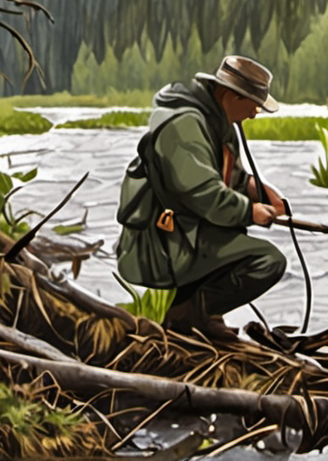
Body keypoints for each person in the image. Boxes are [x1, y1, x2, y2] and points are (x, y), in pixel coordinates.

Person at [115, 55, 287, 341]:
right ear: (231, 95)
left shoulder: (217, 124)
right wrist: (251, 212)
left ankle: (195, 315)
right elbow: (204, 194)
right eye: (252, 104)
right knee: (268, 261)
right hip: (159, 241)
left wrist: (266, 194)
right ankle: (189, 316)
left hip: (187, 232)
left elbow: (234, 180)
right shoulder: (184, 126)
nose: (255, 113)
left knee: (236, 239)